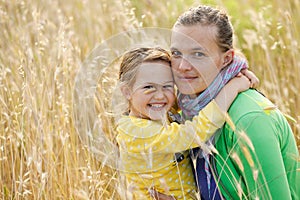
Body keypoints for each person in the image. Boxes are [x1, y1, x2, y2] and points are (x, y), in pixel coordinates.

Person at [165, 5, 299, 200]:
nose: (183, 66)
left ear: (226, 59)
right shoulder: (188, 106)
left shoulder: (250, 120)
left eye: (198, 54)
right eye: (176, 54)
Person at [115, 47, 252, 199]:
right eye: (148, 87)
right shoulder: (136, 132)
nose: (160, 96)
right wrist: (233, 87)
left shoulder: (155, 112)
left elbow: (196, 96)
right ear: (127, 91)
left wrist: (237, 71)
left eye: (167, 86)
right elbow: (196, 132)